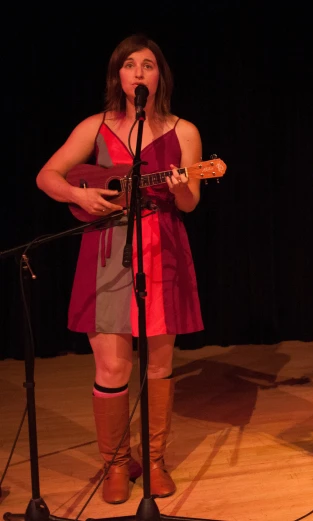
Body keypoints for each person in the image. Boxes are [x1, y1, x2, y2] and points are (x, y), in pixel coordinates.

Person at [35, 34, 204, 503]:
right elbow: (47, 175)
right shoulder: (96, 126)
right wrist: (80, 195)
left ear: (159, 76)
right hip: (107, 248)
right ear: (118, 76)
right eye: (129, 65)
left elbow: (190, 202)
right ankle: (115, 463)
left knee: (161, 363)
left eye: (148, 65)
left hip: (163, 246)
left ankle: (153, 461)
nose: (139, 72)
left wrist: (181, 186)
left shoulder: (184, 132)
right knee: (112, 365)